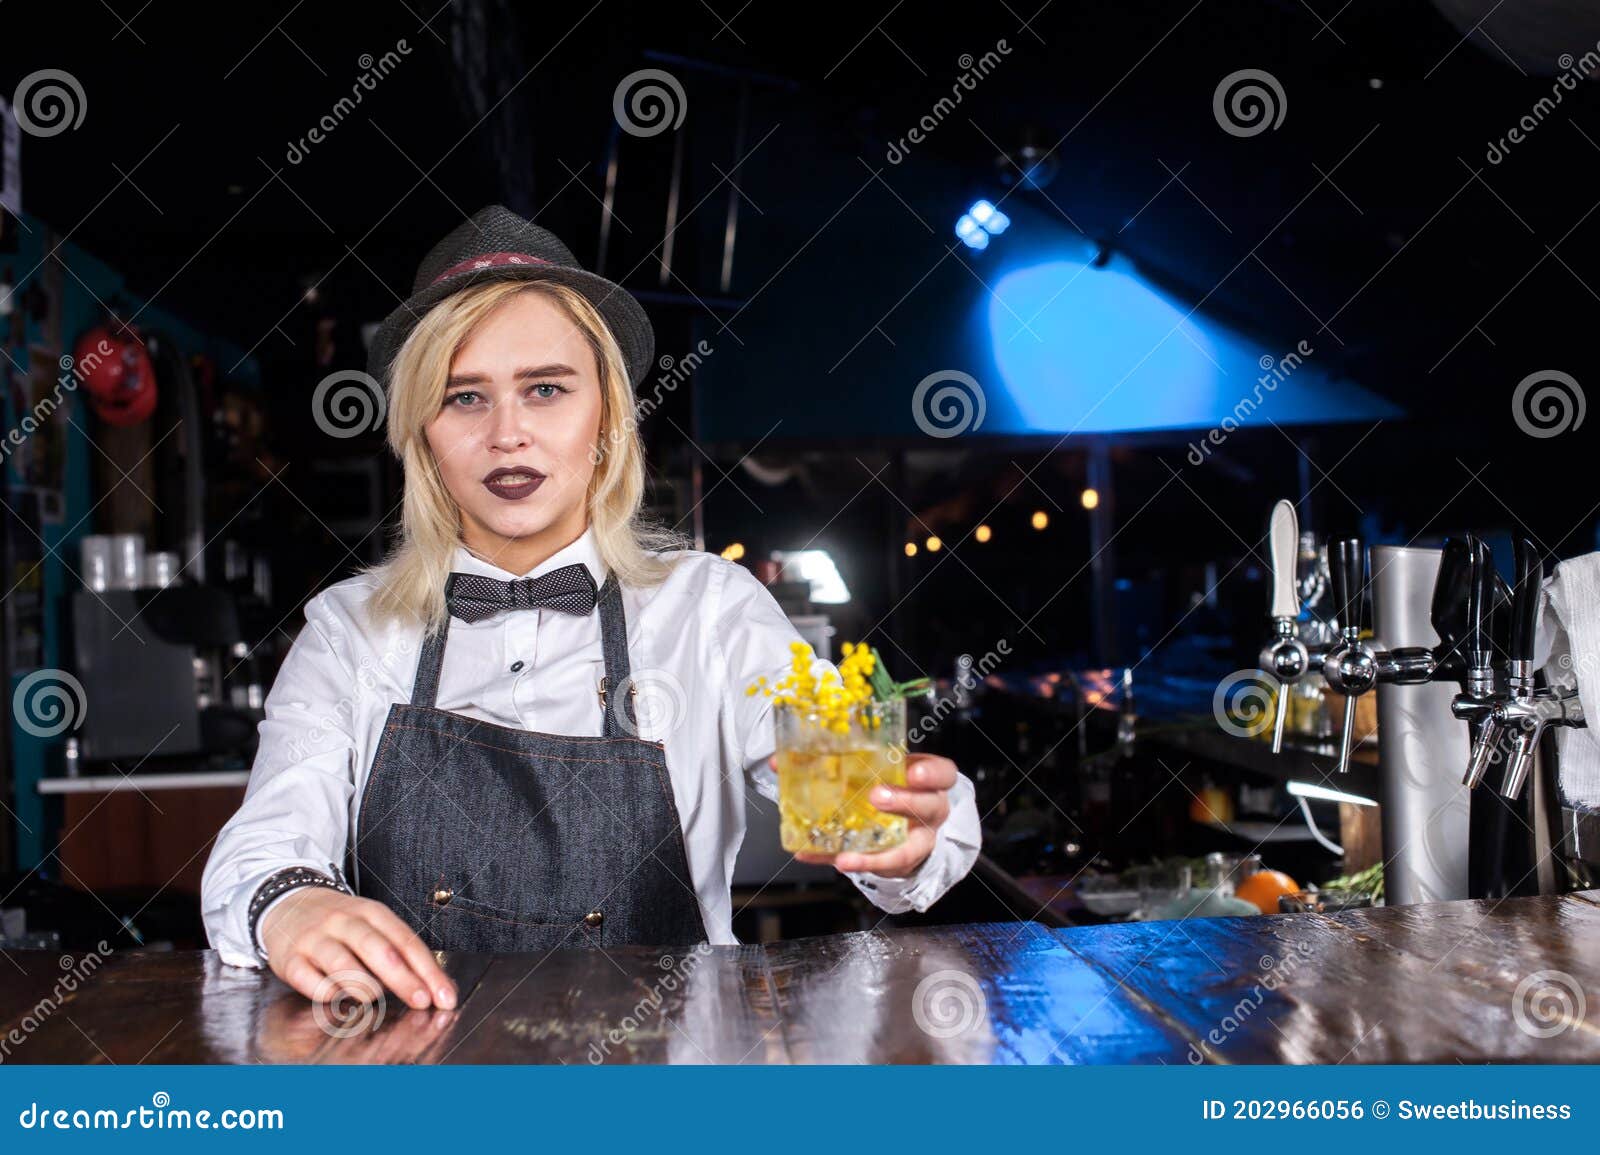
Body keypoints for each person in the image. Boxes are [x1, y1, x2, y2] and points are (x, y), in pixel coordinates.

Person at [200, 205, 982, 1009]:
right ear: (421, 430)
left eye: (545, 389)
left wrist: (906, 831)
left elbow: (887, 796)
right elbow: (263, 846)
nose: (509, 433)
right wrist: (292, 903)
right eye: (464, 397)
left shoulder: (709, 609)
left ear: (606, 417)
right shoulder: (350, 628)